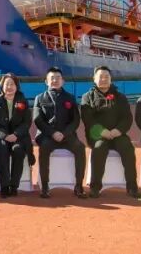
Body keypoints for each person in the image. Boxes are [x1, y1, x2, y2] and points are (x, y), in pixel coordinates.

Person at [81, 66, 140, 198]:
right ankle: (95, 187)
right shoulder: (87, 97)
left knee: (128, 147)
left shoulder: (120, 97)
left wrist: (118, 130)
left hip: (117, 134)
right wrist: (102, 131)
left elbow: (127, 117)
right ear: (94, 79)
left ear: (111, 79)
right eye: (100, 77)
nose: (103, 79)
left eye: (106, 77)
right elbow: (87, 119)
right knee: (99, 147)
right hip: (97, 135)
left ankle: (132, 187)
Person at [34, 66, 87, 199]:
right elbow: (38, 120)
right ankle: (45, 186)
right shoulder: (39, 98)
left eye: (58, 78)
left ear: (63, 81)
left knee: (80, 148)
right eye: (52, 78)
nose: (55, 80)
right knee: (44, 148)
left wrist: (64, 133)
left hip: (67, 136)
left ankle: (79, 186)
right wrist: (52, 133)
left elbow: (75, 120)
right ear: (46, 81)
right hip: (47, 135)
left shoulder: (70, 98)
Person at [0, 73, 34, 198]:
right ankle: (4, 186)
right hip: (0, 137)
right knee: (2, 148)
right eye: (7, 84)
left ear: (17, 86)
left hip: (18, 137)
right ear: (2, 86)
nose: (9, 87)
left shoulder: (23, 100)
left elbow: (27, 122)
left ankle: (14, 185)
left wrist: (16, 134)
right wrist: (5, 136)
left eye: (12, 84)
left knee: (18, 150)